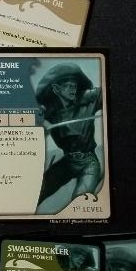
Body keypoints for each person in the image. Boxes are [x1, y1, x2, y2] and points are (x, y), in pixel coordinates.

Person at [35, 63, 103, 212]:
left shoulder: (89, 97)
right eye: (68, 86)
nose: (73, 89)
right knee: (35, 195)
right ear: (56, 89)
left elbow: (108, 92)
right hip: (67, 162)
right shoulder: (47, 109)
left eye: (75, 85)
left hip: (89, 163)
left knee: (81, 202)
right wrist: (42, 122)